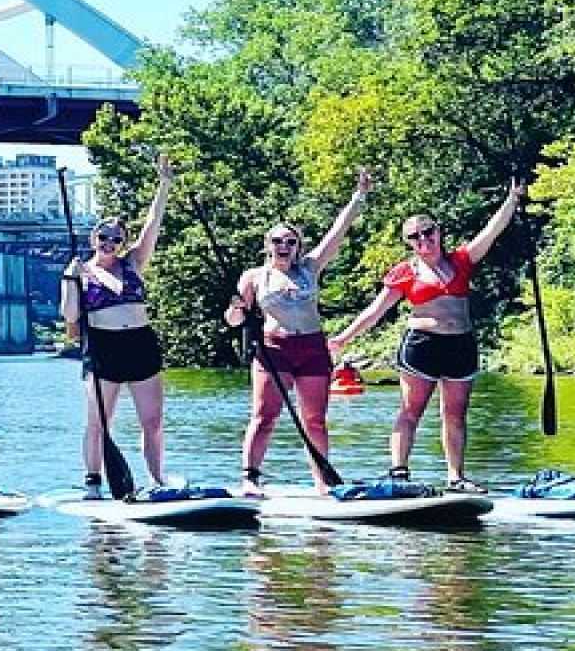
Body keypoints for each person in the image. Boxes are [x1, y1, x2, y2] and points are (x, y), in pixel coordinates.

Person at [328, 179, 525, 493]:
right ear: (409, 243)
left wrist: (512, 200)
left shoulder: (461, 261)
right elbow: (374, 311)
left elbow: (492, 231)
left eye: (428, 232)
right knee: (411, 410)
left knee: (455, 413)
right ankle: (398, 470)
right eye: (415, 237)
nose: (424, 240)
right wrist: (342, 338)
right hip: (422, 347)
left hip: (460, 345)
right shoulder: (405, 273)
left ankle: (456, 477)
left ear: (438, 233)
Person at [224, 169, 372, 495]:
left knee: (315, 419)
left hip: (312, 347)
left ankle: (322, 481)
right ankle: (250, 478)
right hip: (273, 349)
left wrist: (358, 196)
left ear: (297, 246)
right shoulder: (254, 277)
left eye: (290, 241)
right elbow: (235, 321)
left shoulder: (310, 267)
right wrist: (236, 309)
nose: (284, 246)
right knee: (264, 417)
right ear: (268, 245)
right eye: (277, 241)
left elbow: (338, 231)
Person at [60, 154, 173, 498]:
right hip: (103, 349)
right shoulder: (80, 271)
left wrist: (164, 184)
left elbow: (153, 224)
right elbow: (69, 316)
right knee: (98, 422)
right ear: (94, 238)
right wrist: (70, 278)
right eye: (104, 237)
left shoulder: (133, 264)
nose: (110, 243)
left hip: (140, 345)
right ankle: (93, 482)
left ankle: (156, 479)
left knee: (152, 422)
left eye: (116, 239)